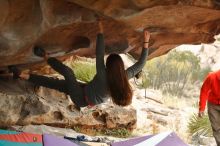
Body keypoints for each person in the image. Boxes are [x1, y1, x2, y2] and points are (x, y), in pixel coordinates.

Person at [9, 19, 151, 110]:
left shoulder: (104, 74)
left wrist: (100, 32)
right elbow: (140, 64)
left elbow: (100, 53)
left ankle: (45, 56)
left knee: (68, 73)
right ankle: (21, 75)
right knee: (54, 83)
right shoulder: (123, 77)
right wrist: (145, 42)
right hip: (83, 91)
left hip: (81, 98)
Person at [198, 70, 220, 146]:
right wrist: (201, 108)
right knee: (216, 128)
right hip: (213, 105)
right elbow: (204, 91)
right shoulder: (212, 76)